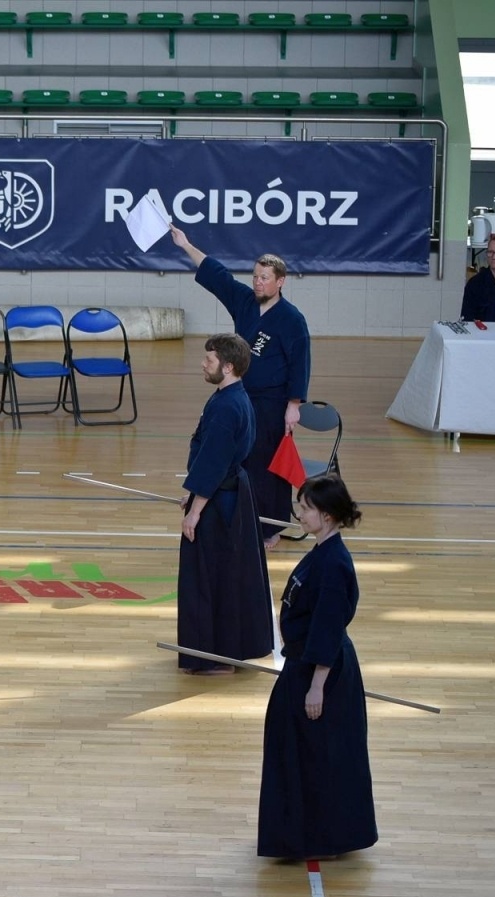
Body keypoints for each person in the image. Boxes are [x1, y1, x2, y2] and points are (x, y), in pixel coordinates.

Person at [258, 474, 377, 860]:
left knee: (318, 754)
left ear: (327, 515)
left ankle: (320, 838)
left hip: (319, 671)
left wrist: (316, 686)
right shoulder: (322, 552)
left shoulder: (334, 565)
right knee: (296, 750)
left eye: (306, 508)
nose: (300, 513)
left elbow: (327, 627)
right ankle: (298, 833)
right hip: (304, 664)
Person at [171, 226, 311, 549]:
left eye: (265, 278)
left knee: (267, 464)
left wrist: (294, 404)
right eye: (256, 276)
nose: (258, 282)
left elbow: (300, 362)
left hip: (272, 402)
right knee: (236, 460)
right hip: (240, 396)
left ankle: (270, 527)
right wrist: (186, 245)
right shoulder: (245, 302)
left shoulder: (292, 319)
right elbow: (218, 276)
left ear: (280, 281)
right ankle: (235, 518)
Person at [178, 334, 274, 675]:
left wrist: (195, 511)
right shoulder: (231, 397)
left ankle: (216, 657)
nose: (203, 364)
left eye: (209, 360)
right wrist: (193, 494)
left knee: (213, 578)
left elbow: (214, 463)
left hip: (221, 504)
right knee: (226, 575)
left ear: (228, 366)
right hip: (227, 493)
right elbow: (211, 459)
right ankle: (224, 652)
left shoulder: (226, 407)